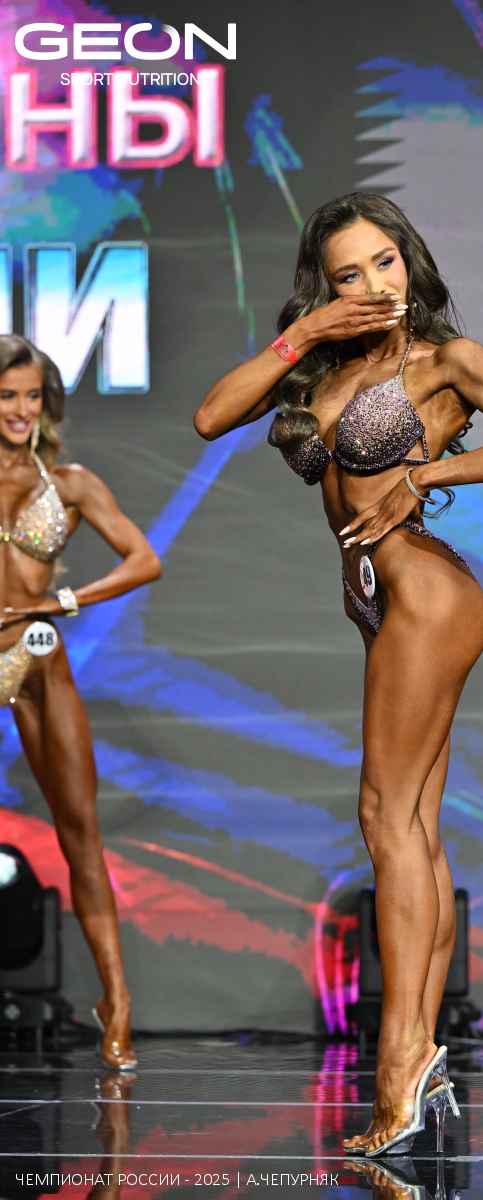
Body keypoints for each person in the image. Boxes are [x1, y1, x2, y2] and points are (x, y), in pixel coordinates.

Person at [194, 193, 483, 1155]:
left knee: (384, 821)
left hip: (427, 594)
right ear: (326, 286)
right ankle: (421, 1057)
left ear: (412, 262)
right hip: (377, 604)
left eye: (385, 262)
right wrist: (308, 332)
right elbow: (209, 416)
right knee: (414, 835)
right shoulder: (325, 367)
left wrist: (424, 476)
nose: (372, 284)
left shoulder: (445, 361)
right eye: (348, 273)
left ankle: (398, 1069)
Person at [0, 335, 161, 1070]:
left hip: (33, 654)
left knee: (81, 835)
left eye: (32, 396)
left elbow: (144, 559)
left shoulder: (68, 483)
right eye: (7, 395)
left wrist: (65, 600)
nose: (21, 409)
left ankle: (116, 1002)